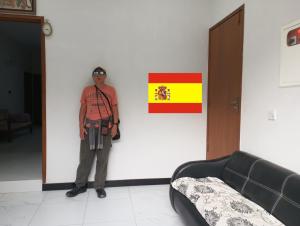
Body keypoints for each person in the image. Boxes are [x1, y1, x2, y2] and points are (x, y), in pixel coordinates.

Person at [66, 66, 119, 198]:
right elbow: (83, 108)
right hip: (88, 126)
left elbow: (115, 108)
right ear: (93, 77)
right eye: (96, 74)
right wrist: (80, 126)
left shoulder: (111, 90)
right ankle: (80, 185)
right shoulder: (87, 90)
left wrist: (115, 126)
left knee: (103, 159)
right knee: (85, 158)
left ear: (105, 76)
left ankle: (99, 186)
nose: (98, 76)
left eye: (101, 74)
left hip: (106, 127)